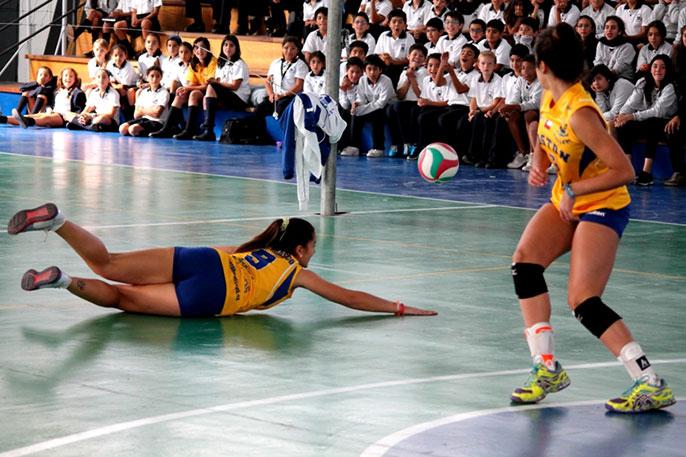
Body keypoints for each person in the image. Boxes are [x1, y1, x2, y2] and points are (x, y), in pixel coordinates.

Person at [509, 23, 675, 413]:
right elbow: (549, 138)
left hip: (603, 202)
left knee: (583, 299)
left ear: (543, 64)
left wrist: (573, 191)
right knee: (525, 265)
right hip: (568, 200)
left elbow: (625, 171)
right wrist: (538, 160)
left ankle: (649, 382)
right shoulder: (551, 95)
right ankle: (546, 367)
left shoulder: (582, 111)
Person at [7, 204, 437, 318]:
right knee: (122, 298)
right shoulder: (297, 274)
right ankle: (62, 280)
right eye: (313, 246)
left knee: (110, 264)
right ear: (302, 249)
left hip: (204, 260)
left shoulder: (255, 245)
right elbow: (351, 298)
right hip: (214, 293)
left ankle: (59, 220)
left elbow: (221, 253)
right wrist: (400, 306)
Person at [613, 55, 678, 186]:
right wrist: (623, 115)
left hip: (665, 122)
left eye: (662, 67)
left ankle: (646, 172)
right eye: (655, 66)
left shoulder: (670, 87)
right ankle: (628, 170)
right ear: (650, 69)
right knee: (624, 126)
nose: (658, 70)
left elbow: (658, 112)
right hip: (646, 119)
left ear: (668, 70)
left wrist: (631, 116)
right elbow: (630, 103)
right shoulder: (643, 82)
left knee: (652, 123)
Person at [194, 35, 251, 142]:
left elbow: (235, 86)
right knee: (207, 94)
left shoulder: (239, 64)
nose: (228, 48)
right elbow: (219, 83)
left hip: (239, 99)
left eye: (231, 45)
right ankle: (208, 131)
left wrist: (215, 83)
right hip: (227, 96)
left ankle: (208, 124)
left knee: (212, 87)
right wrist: (213, 81)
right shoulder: (221, 63)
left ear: (236, 48)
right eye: (225, 45)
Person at [340, 54, 397, 158]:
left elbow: (381, 104)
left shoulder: (386, 81)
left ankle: (378, 148)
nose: (372, 72)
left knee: (377, 114)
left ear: (380, 70)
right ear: (365, 71)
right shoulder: (362, 80)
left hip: (387, 107)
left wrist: (360, 110)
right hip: (370, 106)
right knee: (355, 114)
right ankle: (354, 146)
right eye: (369, 69)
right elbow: (361, 98)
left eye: (375, 69)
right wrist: (356, 105)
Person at [3, 68, 86, 129]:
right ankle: (3, 119)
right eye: (66, 76)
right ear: (61, 78)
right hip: (54, 113)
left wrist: (71, 119)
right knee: (32, 115)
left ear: (75, 79)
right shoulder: (58, 91)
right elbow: (51, 104)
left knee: (45, 119)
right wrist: (49, 109)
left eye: (71, 76)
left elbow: (79, 110)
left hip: (64, 117)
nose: (68, 78)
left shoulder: (78, 92)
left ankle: (29, 122)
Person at [119, 66, 169, 137]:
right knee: (122, 129)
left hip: (157, 121)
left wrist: (142, 110)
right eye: (152, 76)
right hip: (144, 119)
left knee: (133, 129)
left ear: (161, 78)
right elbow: (136, 114)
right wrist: (150, 110)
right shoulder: (144, 92)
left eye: (157, 76)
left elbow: (157, 114)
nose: (154, 79)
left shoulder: (164, 92)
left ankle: (154, 133)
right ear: (147, 77)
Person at [593, 16, 636, 81]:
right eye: (607, 27)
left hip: (622, 79)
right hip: (603, 79)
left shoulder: (627, 46)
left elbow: (617, 69)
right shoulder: (601, 43)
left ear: (619, 31)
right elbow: (598, 63)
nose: (609, 30)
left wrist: (602, 78)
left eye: (613, 28)